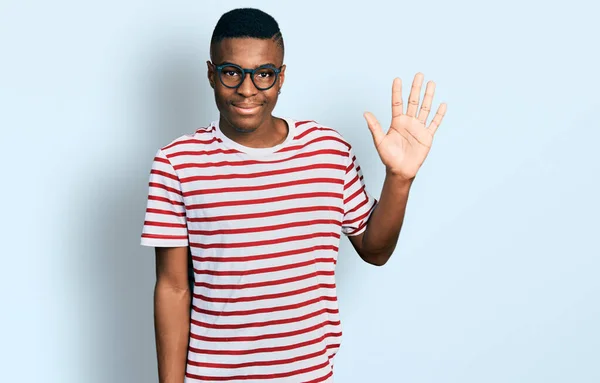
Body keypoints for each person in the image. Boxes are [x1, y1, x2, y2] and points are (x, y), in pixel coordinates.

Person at [140, 7, 446, 383]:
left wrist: (399, 179)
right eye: (231, 72)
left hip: (309, 375)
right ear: (211, 74)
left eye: (263, 74)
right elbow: (172, 287)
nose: (248, 89)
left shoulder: (328, 151)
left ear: (281, 77)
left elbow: (375, 250)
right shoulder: (177, 162)